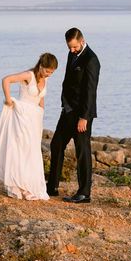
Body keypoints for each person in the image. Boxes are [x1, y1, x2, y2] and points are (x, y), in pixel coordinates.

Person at [0, 53, 58, 200]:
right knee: (21, 150)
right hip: (22, 116)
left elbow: (41, 98)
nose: (49, 75)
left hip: (35, 119)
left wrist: (41, 114)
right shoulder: (28, 75)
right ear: (40, 66)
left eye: (52, 72)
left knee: (32, 151)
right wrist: (8, 100)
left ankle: (29, 185)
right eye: (47, 71)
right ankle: (19, 186)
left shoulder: (45, 79)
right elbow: (6, 80)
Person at [47, 28, 100, 203]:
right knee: (56, 144)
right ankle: (52, 187)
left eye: (75, 47)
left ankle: (84, 193)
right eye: (69, 47)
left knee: (82, 151)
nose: (72, 50)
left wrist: (84, 117)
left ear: (82, 41)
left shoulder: (91, 60)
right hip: (68, 111)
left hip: (82, 115)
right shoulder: (72, 54)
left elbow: (90, 92)